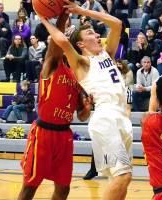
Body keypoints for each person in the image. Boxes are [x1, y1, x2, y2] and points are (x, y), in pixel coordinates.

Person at [39, 1, 133, 199]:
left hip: (121, 117)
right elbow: (63, 42)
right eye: (90, 34)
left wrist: (81, 10)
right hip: (106, 117)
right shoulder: (81, 62)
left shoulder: (107, 55)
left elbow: (116, 24)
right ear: (80, 44)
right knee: (123, 175)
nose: (97, 35)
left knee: (120, 180)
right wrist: (44, 20)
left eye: (95, 33)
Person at [17, 13, 93, 200]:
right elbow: (56, 44)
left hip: (64, 136)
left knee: (63, 189)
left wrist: (86, 108)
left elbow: (81, 117)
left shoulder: (79, 78)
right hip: (43, 134)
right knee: (29, 187)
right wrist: (64, 14)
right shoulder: (52, 65)